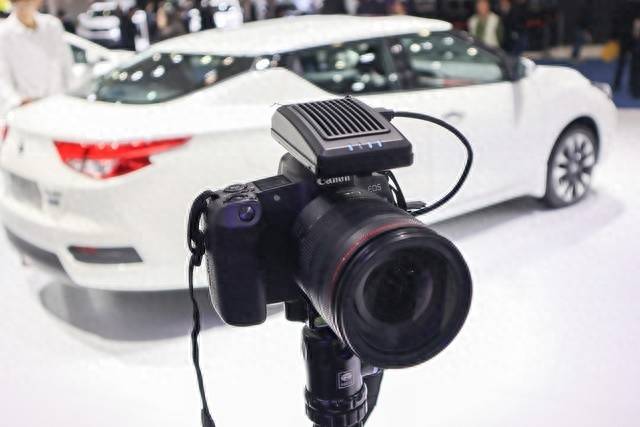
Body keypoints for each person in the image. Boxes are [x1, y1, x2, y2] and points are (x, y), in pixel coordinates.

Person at [0, 0, 73, 116]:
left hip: (58, 107)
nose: (27, 3)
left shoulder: (52, 26)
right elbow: (2, 78)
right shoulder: (3, 33)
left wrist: (67, 96)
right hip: (24, 111)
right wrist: (16, 101)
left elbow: (66, 63)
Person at [612, 0, 640, 94]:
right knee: (634, 65)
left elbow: (616, 20)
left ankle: (616, 84)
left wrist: (615, 36)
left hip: (624, 36)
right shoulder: (637, 5)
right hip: (632, 37)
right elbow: (637, 22)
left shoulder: (621, 4)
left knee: (621, 62)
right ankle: (634, 89)